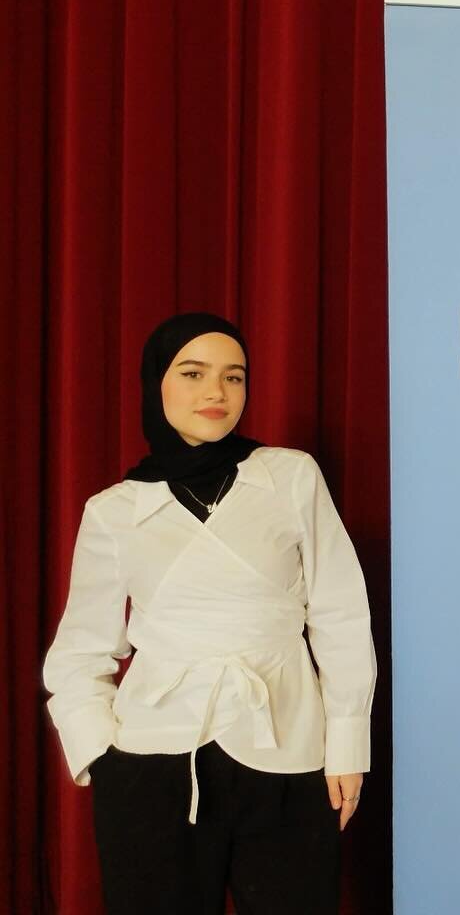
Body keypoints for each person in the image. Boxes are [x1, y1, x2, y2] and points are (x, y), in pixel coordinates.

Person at [43, 312, 377, 915]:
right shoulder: (115, 510)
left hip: (289, 747)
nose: (216, 393)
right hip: (153, 761)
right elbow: (80, 651)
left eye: (234, 376)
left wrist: (348, 744)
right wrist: (102, 757)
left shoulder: (291, 475)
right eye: (193, 373)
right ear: (157, 385)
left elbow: (341, 614)